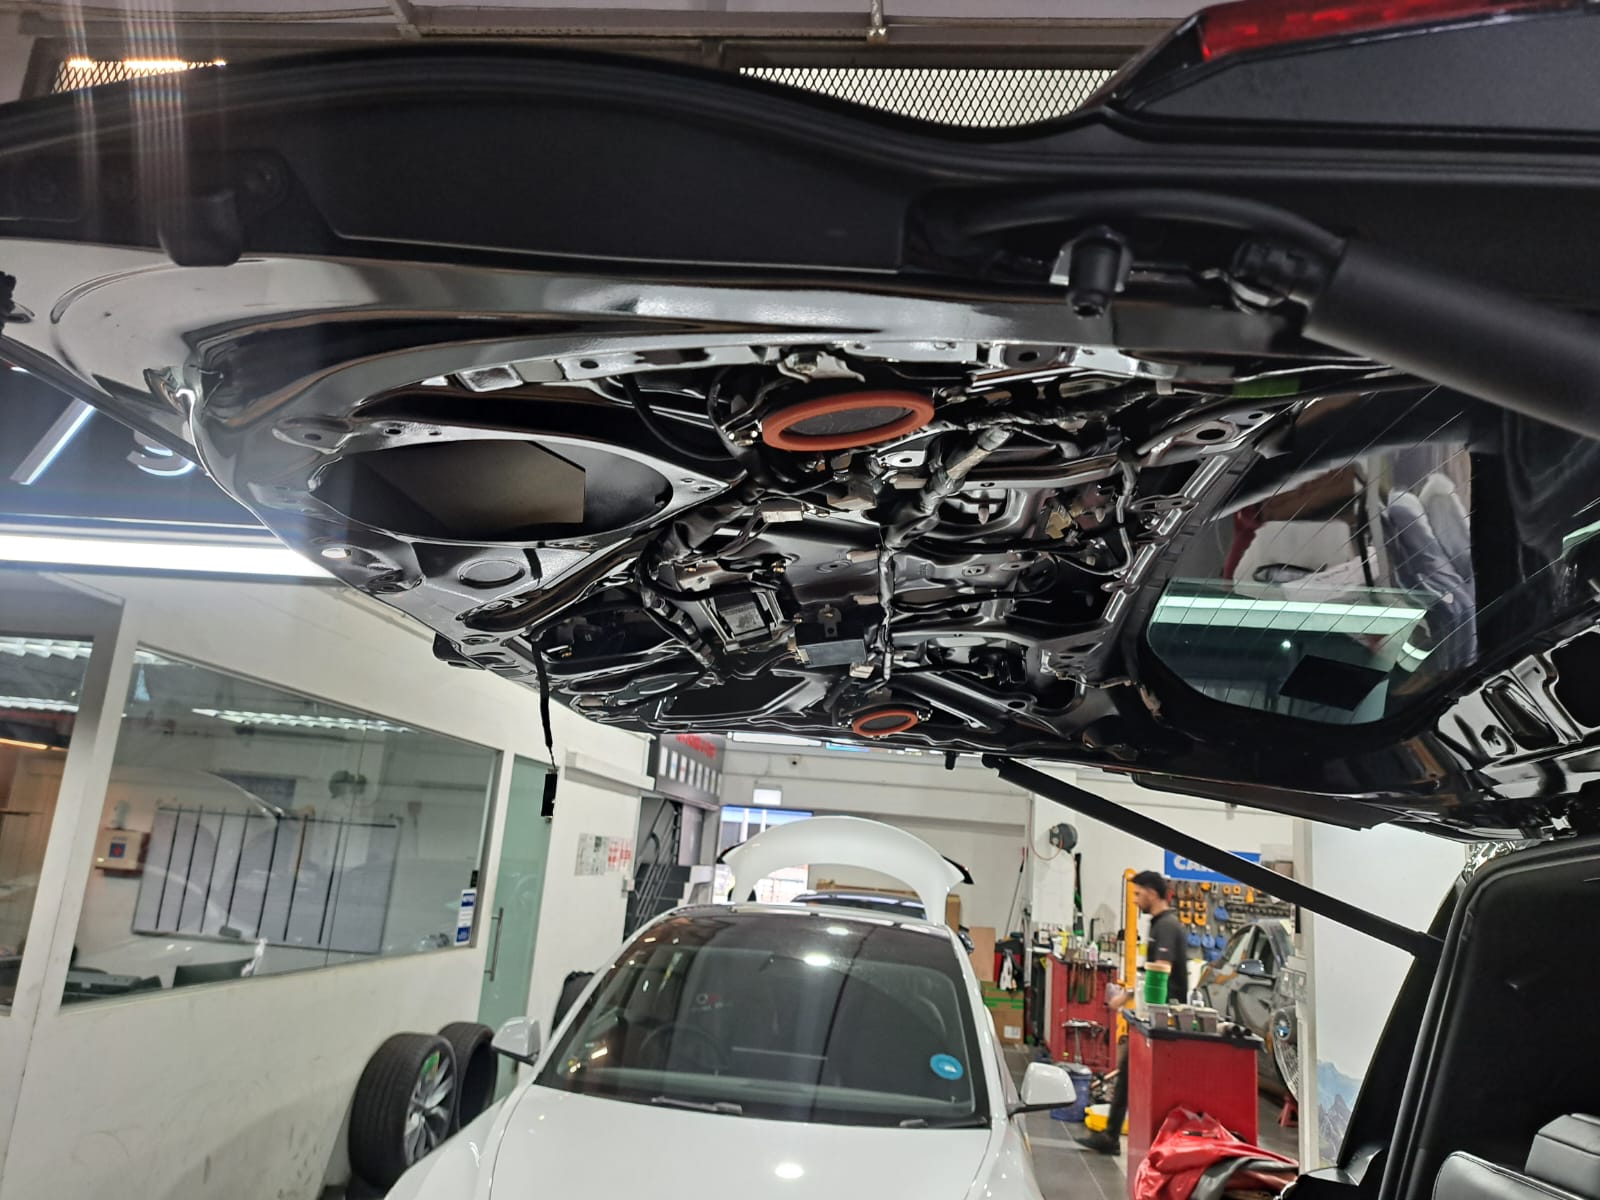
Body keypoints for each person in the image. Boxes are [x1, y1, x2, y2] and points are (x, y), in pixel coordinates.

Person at [1081, 869, 1190, 1156]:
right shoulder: (1159, 925)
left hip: (1165, 1022)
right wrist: (1130, 997)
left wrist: (1129, 997)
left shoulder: (1167, 927)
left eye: (1139, 894)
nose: (1135, 900)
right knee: (1129, 1074)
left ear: (1152, 893)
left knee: (1145, 1080)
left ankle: (1157, 1144)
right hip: (1154, 1017)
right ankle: (1112, 1136)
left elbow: (1160, 973)